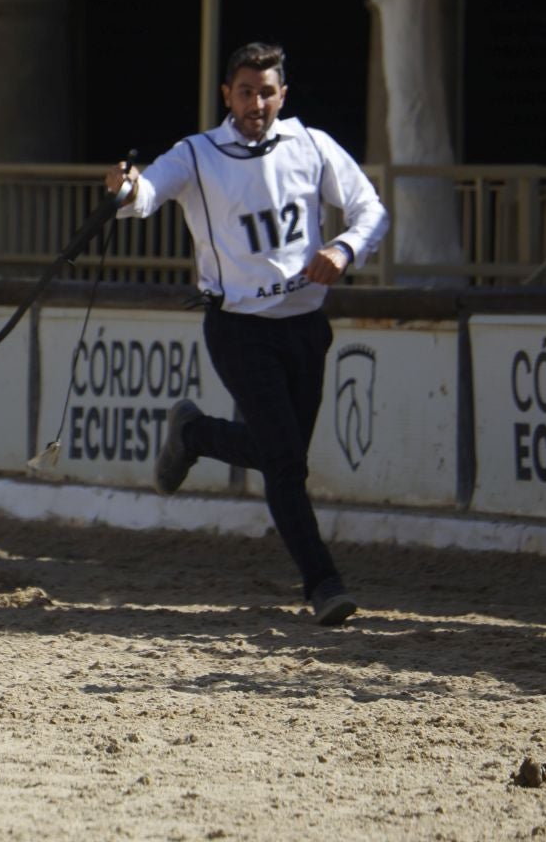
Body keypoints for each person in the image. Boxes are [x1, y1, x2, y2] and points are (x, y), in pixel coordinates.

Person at [105, 41, 388, 627]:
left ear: (282, 95)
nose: (255, 102)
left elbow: (371, 209)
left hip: (307, 326)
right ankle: (324, 584)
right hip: (238, 329)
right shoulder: (198, 153)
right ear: (226, 95)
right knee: (285, 464)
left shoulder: (312, 145)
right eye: (245, 91)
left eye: (266, 91)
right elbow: (149, 193)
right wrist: (127, 189)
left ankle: (195, 434)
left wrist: (344, 247)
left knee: (281, 457)